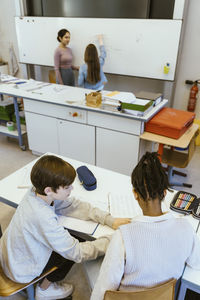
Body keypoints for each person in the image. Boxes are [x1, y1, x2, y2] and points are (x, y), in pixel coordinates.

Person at [0, 155, 130, 300]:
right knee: (75, 244)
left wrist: (109, 220)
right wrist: (112, 240)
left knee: (70, 240)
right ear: (49, 190)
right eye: (67, 187)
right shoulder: (42, 217)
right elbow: (76, 253)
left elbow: (72, 205)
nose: (72, 188)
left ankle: (45, 286)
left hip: (11, 254)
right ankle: (44, 289)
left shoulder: (37, 192)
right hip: (21, 269)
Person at [91, 152, 200, 300]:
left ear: (135, 194)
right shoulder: (186, 229)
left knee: (89, 267)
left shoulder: (122, 237)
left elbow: (104, 290)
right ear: (165, 192)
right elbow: (196, 262)